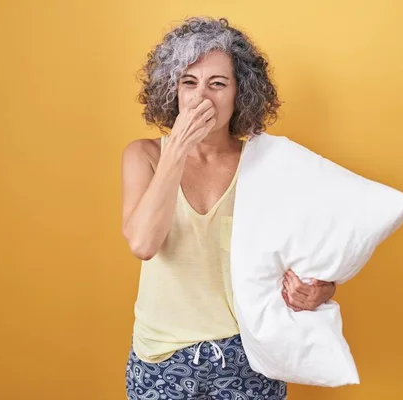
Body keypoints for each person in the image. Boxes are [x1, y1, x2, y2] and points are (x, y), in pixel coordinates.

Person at [121, 16, 336, 399]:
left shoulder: (264, 164)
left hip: (249, 357)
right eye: (189, 82)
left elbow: (306, 257)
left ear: (241, 94)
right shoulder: (145, 156)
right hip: (161, 360)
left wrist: (319, 290)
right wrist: (179, 149)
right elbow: (143, 244)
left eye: (217, 84)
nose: (201, 97)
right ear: (173, 91)